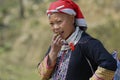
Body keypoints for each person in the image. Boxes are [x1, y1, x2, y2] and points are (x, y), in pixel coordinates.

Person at [38, 0, 117, 80]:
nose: (55, 27)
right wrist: (53, 53)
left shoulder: (86, 43)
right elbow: (43, 75)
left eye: (59, 22)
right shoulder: (56, 45)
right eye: (52, 24)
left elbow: (109, 64)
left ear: (72, 19)